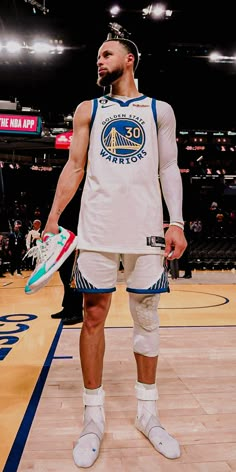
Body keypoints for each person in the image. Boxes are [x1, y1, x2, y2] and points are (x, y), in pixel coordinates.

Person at [42, 38, 187, 468]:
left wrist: (175, 220)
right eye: (97, 57)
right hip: (98, 227)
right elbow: (75, 167)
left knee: (146, 315)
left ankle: (148, 413)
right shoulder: (89, 109)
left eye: (106, 55)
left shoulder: (161, 110)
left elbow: (167, 167)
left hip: (145, 228)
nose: (99, 62)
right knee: (92, 316)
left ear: (129, 60)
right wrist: (53, 217)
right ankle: (93, 418)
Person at [51, 187, 84, 325]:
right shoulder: (65, 197)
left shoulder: (81, 195)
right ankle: (67, 307)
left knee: (73, 278)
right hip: (63, 239)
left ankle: (76, 312)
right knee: (64, 275)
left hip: (75, 240)